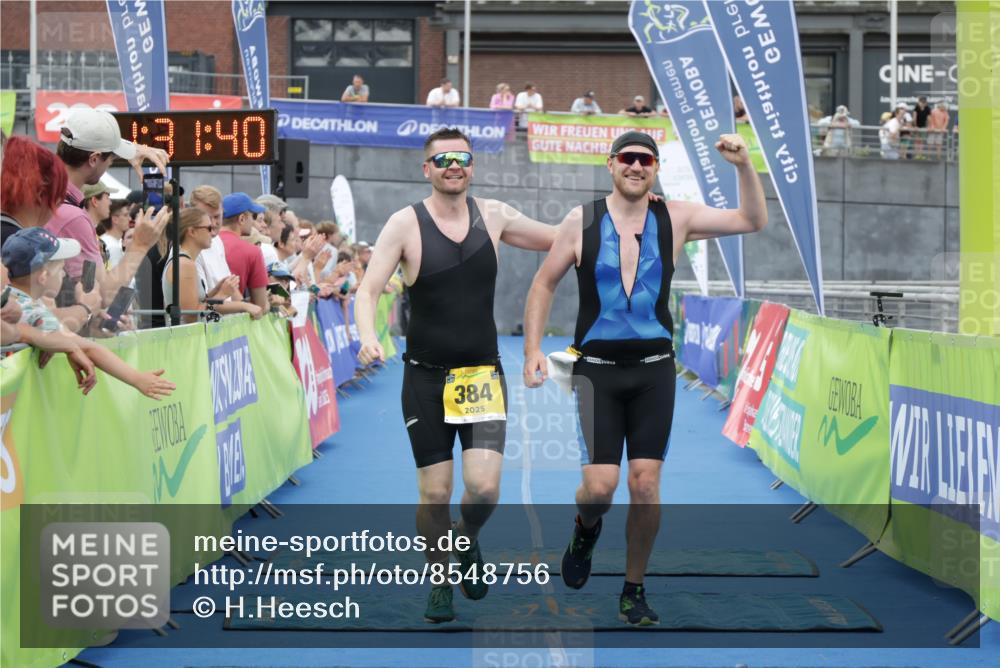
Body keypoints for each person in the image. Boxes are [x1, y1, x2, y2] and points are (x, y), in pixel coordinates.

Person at [521, 130, 767, 626]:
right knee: (599, 488)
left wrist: (744, 165)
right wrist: (531, 350)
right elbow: (543, 283)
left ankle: (633, 589)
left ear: (655, 168)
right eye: (628, 158)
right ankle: (585, 529)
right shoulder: (580, 221)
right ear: (611, 164)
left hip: (654, 370)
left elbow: (751, 220)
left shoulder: (676, 217)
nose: (636, 166)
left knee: (645, 483)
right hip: (597, 373)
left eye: (646, 160)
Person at [354, 128, 558, 623]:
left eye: (462, 158)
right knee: (435, 494)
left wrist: (623, 210)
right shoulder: (404, 223)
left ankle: (465, 539)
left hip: (481, 377)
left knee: (484, 490)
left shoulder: (495, 215)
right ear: (426, 168)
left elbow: (563, 238)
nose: (454, 166)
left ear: (472, 166)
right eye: (443, 159)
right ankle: (440, 579)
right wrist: (367, 336)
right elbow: (367, 290)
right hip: (425, 378)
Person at [3, 228, 176, 399]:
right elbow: (89, 348)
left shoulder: (10, 299)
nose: (63, 274)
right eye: (61, 268)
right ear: (43, 277)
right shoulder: (35, 311)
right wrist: (137, 379)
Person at [45, 108, 170, 307]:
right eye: (111, 159)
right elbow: (102, 296)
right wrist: (140, 245)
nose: (111, 163)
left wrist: (132, 150)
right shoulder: (73, 217)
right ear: (94, 159)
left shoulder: (44, 191)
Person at [1, 135, 101, 333]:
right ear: (41, 195)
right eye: (58, 198)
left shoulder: (14, 238)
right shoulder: (13, 242)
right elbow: (32, 323)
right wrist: (85, 309)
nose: (57, 208)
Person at [162, 208, 262, 324]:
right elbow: (192, 316)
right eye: (209, 228)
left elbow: (196, 305)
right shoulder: (185, 264)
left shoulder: (184, 261)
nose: (213, 232)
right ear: (192, 232)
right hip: (184, 335)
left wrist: (216, 290)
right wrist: (223, 294)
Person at [219, 193, 270, 313]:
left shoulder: (207, 243)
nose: (253, 222)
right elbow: (260, 306)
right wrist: (270, 303)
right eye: (253, 216)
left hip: (203, 317)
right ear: (242, 219)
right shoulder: (252, 251)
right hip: (232, 320)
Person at [81, 182, 113, 268]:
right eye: (107, 197)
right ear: (95, 201)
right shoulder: (84, 234)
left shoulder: (91, 234)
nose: (110, 203)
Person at [98, 199, 130, 268]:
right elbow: (117, 274)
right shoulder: (113, 247)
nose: (129, 219)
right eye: (125, 215)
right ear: (115, 219)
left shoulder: (104, 240)